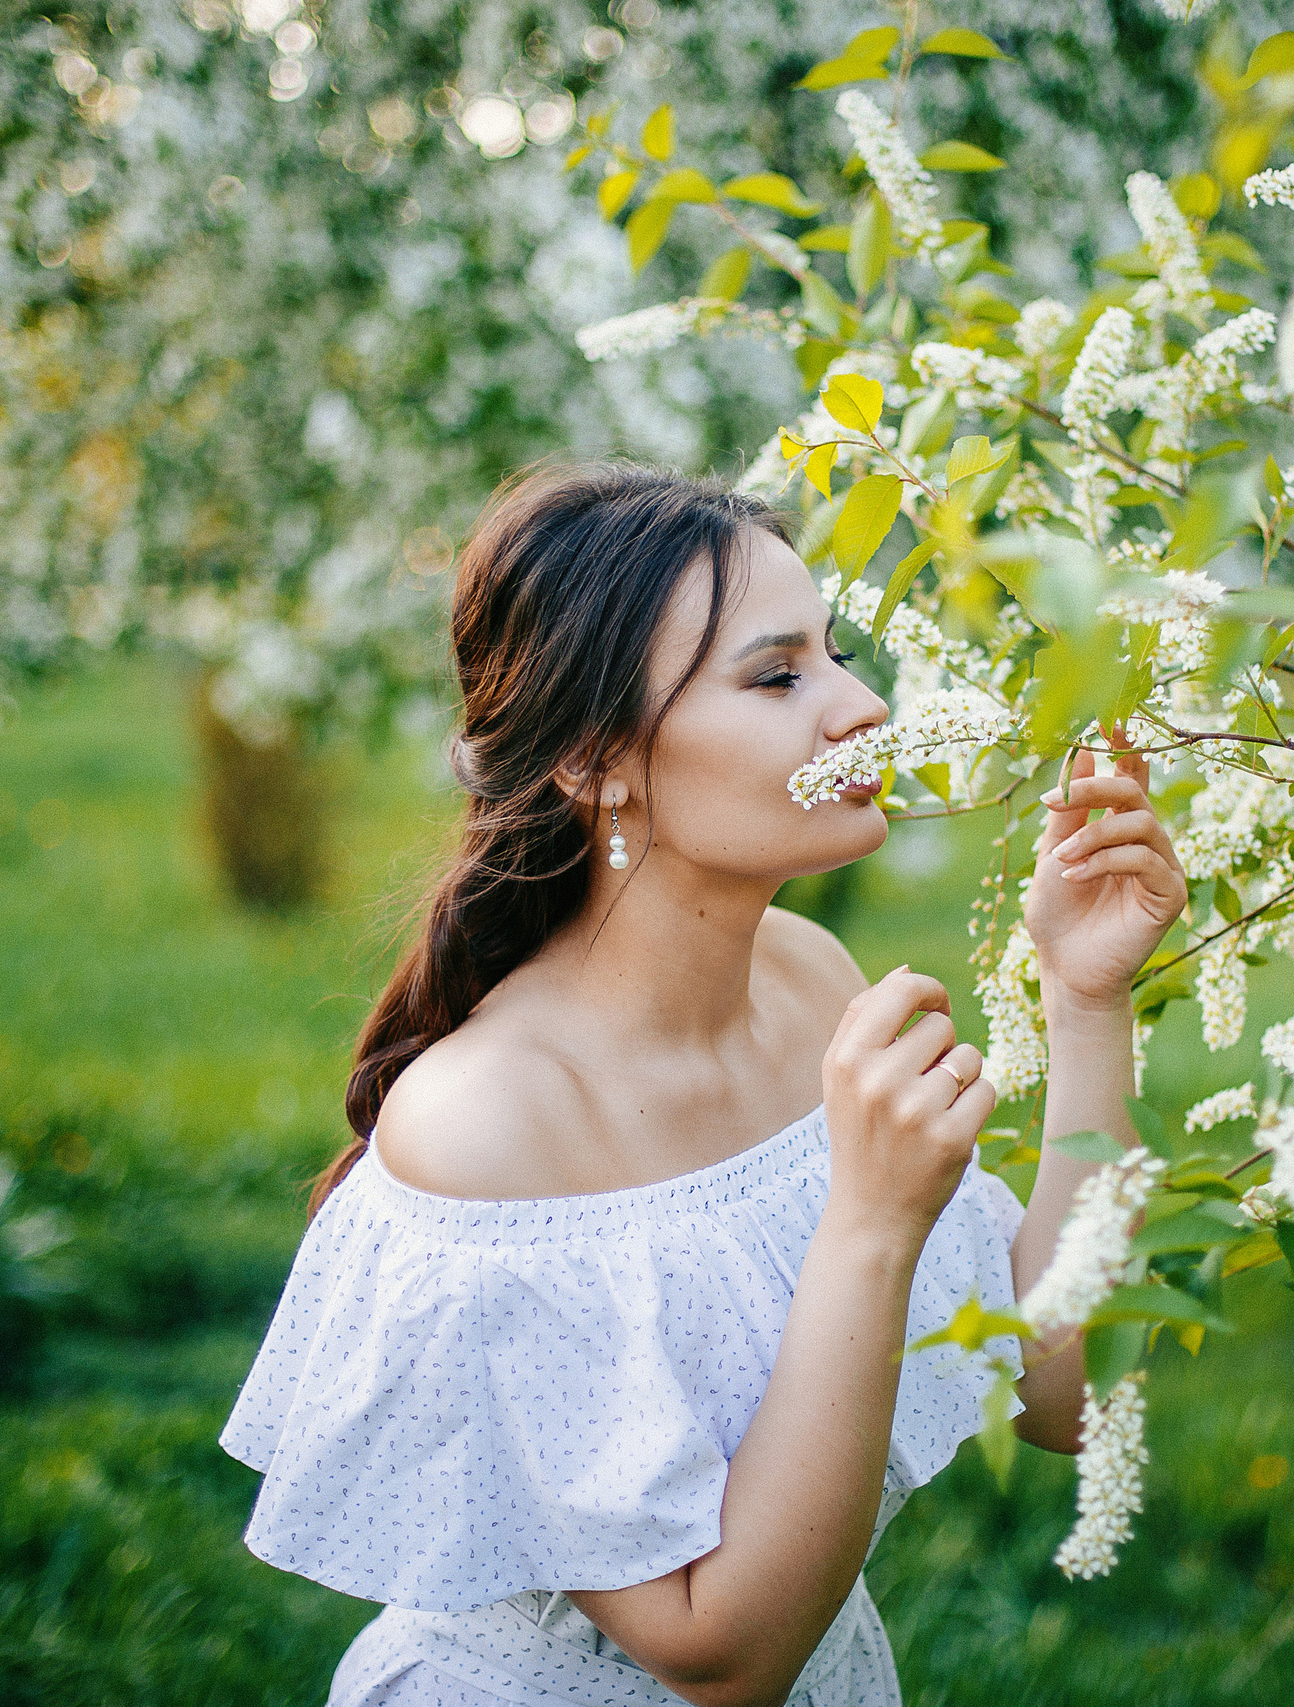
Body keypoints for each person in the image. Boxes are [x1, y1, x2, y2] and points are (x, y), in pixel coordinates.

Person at [222, 463, 1187, 1706]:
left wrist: (1088, 1000)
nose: (861, 705)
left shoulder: (810, 981)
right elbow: (723, 1659)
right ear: (595, 761)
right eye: (777, 676)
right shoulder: (488, 1125)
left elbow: (1064, 1391)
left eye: (835, 654)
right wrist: (871, 1221)